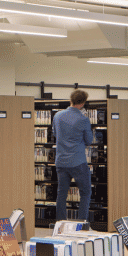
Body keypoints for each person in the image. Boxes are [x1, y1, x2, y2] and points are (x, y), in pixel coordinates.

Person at [54, 89, 93, 222]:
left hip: (61, 161)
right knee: (85, 192)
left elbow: (55, 134)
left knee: (61, 194)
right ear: (82, 103)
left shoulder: (57, 116)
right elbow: (89, 140)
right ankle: (81, 225)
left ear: (70, 100)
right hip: (77, 161)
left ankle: (60, 225)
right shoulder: (83, 119)